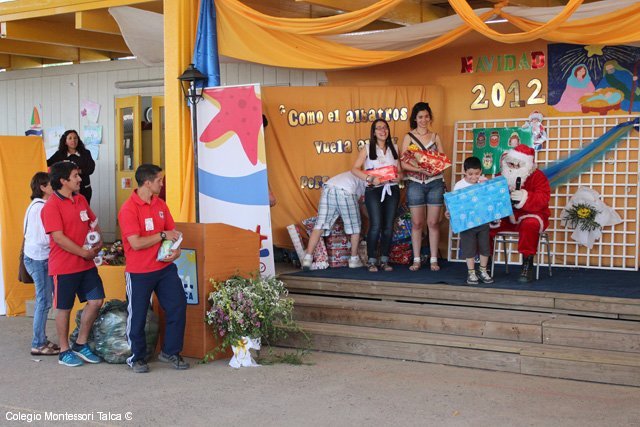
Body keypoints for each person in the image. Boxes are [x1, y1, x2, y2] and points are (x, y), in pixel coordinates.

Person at [118, 163, 188, 373]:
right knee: (138, 315)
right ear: (147, 183)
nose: (162, 183)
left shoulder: (160, 204)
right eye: (159, 180)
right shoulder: (128, 209)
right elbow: (136, 243)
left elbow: (172, 234)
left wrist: (177, 251)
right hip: (139, 272)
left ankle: (170, 351)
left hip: (164, 268)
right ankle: (137, 357)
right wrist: (162, 235)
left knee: (177, 305)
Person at [42, 161, 105, 367]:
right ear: (63, 181)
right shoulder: (51, 205)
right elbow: (59, 238)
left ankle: (80, 343)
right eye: (75, 176)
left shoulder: (81, 199)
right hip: (64, 267)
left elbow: (93, 223)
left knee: (96, 301)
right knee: (64, 308)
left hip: (86, 265)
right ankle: (64, 350)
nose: (80, 179)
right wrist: (84, 253)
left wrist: (98, 240)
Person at [489, 145, 551, 282]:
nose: (513, 167)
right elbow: (490, 198)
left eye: (518, 165)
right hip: (506, 217)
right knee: (484, 224)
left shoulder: (537, 176)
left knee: (530, 224)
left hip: (528, 214)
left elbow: (543, 198)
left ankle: (527, 264)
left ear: (527, 165)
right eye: (511, 164)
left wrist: (524, 197)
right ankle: (485, 262)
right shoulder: (500, 176)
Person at [400, 102, 446, 272]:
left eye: (426, 116)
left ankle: (434, 259)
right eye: (420, 117)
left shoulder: (435, 137)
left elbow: (443, 160)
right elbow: (403, 163)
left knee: (433, 222)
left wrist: (434, 166)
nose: (423, 120)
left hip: (435, 183)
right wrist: (420, 169)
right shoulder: (409, 137)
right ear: (415, 119)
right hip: (415, 183)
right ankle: (417, 259)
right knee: (417, 223)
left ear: (430, 118)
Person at [352, 119, 401, 272]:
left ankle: (385, 259)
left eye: (385, 127)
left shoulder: (394, 147)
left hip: (392, 189)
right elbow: (354, 169)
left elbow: (399, 171)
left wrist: (399, 177)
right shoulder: (367, 148)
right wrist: (370, 178)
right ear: (374, 132)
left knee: (388, 226)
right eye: (379, 128)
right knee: (376, 225)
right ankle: (371, 260)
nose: (382, 130)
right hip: (373, 190)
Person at [23, 172, 60, 356]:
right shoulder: (40, 208)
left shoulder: (37, 206)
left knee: (44, 301)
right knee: (43, 301)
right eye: (51, 185)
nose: (55, 187)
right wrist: (60, 238)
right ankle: (38, 343)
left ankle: (41, 339)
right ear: (43, 188)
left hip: (38, 257)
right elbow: (43, 238)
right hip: (38, 259)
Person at [301, 171, 366, 270]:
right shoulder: (368, 179)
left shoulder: (354, 174)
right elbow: (362, 204)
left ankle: (307, 258)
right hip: (345, 191)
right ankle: (354, 259)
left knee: (320, 225)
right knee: (355, 227)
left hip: (328, 188)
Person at [445, 157, 493, 285]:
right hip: (467, 224)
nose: (474, 177)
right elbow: (453, 204)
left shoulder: (484, 182)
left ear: (481, 171)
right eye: (470, 174)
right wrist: (449, 212)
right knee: (469, 248)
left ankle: (483, 271)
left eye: (477, 173)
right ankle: (471, 272)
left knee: (485, 247)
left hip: (483, 222)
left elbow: (490, 200)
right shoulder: (459, 185)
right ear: (464, 172)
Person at [47, 130, 96, 204]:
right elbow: (48, 163)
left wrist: (78, 171)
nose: (73, 140)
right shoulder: (60, 154)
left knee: (83, 209)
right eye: (70, 138)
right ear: (65, 141)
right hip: (66, 190)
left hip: (84, 188)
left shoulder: (86, 153)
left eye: (75, 138)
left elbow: (91, 169)